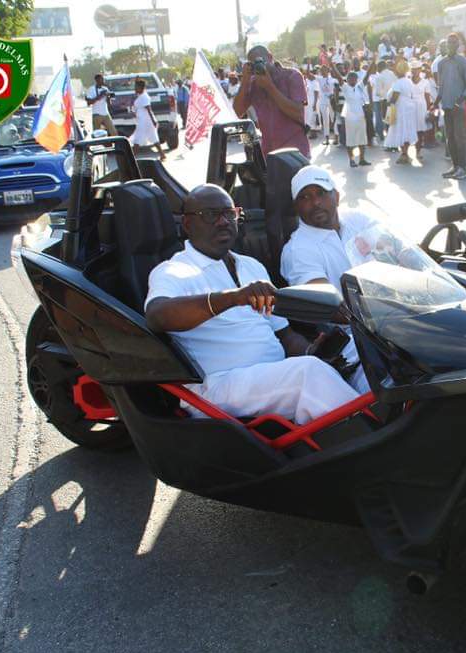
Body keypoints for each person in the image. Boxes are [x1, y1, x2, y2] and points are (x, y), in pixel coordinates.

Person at [146, 183, 361, 423]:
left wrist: (311, 350)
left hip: (271, 376)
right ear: (187, 224)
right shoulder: (173, 271)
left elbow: (285, 336)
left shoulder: (251, 266)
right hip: (218, 387)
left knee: (357, 348)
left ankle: (383, 423)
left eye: (229, 213)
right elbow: (156, 316)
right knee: (307, 373)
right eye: (210, 215)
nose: (223, 221)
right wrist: (232, 298)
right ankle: (368, 441)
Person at [280, 165, 377, 393]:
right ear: (296, 207)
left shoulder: (359, 220)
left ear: (337, 196)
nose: (315, 203)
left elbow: (399, 254)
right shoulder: (298, 249)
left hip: (396, 319)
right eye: (305, 197)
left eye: (321, 193)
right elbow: (326, 305)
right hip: (355, 339)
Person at [233, 45, 310, 158]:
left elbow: (298, 114)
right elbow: (237, 112)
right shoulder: (253, 84)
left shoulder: (292, 76)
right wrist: (245, 82)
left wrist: (270, 87)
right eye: (253, 64)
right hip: (269, 153)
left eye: (260, 61)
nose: (258, 67)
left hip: (295, 151)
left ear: (270, 57)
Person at [433, 32, 466, 180]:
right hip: (446, 105)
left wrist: (460, 100)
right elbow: (441, 86)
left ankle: (463, 168)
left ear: (457, 45)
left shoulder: (463, 62)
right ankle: (455, 166)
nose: (450, 45)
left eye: (453, 42)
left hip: (459, 106)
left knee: (460, 137)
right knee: (449, 138)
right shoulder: (441, 63)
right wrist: (435, 103)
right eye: (448, 42)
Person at [385, 60, 420, 164]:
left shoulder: (398, 83)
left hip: (401, 108)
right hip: (410, 107)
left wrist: (388, 104)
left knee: (400, 129)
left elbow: (395, 97)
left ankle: (404, 154)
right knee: (407, 129)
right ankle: (406, 152)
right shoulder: (409, 81)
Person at [339, 71, 370, 167]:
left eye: (354, 78)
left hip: (360, 116)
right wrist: (331, 64)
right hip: (350, 117)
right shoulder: (345, 87)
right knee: (350, 140)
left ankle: (362, 159)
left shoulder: (360, 87)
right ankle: (351, 160)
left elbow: (367, 75)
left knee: (362, 139)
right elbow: (338, 76)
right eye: (350, 78)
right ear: (347, 80)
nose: (352, 80)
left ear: (357, 80)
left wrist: (373, 61)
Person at [130, 78, 166, 161]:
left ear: (141, 88)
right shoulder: (140, 96)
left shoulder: (144, 97)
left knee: (138, 140)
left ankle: (131, 158)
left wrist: (154, 121)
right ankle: (162, 154)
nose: (135, 89)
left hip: (145, 122)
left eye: (136, 87)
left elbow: (149, 110)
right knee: (153, 138)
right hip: (142, 121)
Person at [371, 60, 396, 142]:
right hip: (394, 99)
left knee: (385, 120)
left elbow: (378, 92)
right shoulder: (393, 74)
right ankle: (393, 139)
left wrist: (384, 93)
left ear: (380, 67)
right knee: (392, 120)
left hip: (384, 101)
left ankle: (386, 139)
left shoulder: (379, 77)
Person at [316, 66, 336, 146]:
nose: (323, 71)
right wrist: (308, 64)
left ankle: (336, 138)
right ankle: (327, 139)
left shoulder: (332, 79)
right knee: (325, 120)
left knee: (333, 118)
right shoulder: (320, 78)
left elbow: (336, 89)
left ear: (328, 70)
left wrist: (333, 96)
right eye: (322, 70)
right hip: (323, 102)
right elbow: (308, 74)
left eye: (325, 69)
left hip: (331, 101)